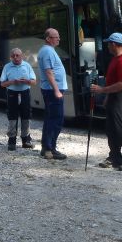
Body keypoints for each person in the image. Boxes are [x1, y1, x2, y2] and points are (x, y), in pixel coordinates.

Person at [91, 33, 122, 171]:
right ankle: (114, 157)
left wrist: (102, 90)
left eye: (109, 43)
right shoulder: (116, 59)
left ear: (114, 44)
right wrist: (107, 97)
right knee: (111, 128)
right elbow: (113, 81)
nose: (107, 46)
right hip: (114, 96)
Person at [38, 28, 68, 160]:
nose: (58, 39)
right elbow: (49, 72)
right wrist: (56, 89)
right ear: (48, 38)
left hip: (52, 89)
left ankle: (48, 147)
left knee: (52, 118)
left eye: (58, 36)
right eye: (56, 37)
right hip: (52, 90)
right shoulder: (47, 51)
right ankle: (49, 148)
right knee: (56, 119)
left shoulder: (49, 50)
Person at [0, 48, 36, 151]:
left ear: (22, 56)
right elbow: (2, 83)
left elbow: (34, 82)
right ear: (11, 57)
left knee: (26, 115)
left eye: (17, 55)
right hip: (12, 93)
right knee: (12, 116)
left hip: (25, 92)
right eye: (13, 56)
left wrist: (27, 81)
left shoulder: (27, 66)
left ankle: (26, 140)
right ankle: (12, 140)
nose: (15, 57)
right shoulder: (7, 67)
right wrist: (12, 82)